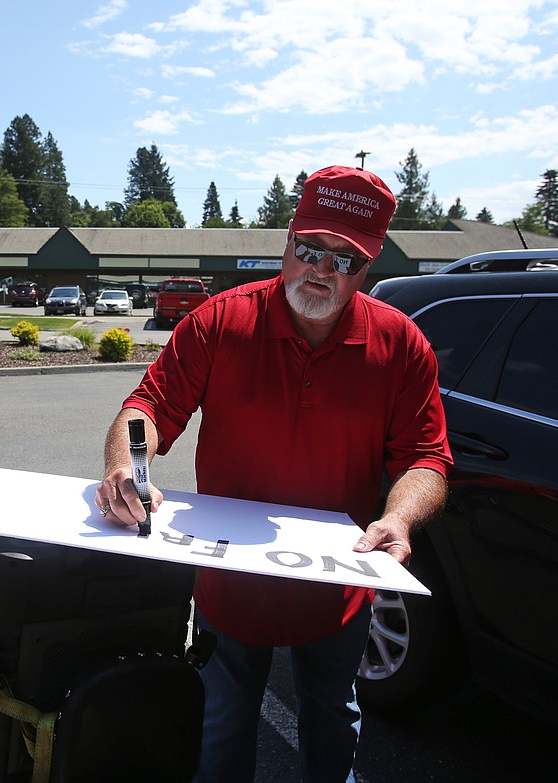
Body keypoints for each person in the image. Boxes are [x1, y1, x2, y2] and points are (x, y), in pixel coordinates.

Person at [95, 166, 452, 783]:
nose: (320, 268)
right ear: (288, 243)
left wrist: (398, 516)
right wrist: (129, 463)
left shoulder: (401, 344)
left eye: (343, 258)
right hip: (229, 587)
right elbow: (147, 406)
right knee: (222, 724)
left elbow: (427, 459)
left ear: (367, 267)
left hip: (337, 590)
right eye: (309, 249)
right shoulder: (220, 321)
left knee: (333, 720)